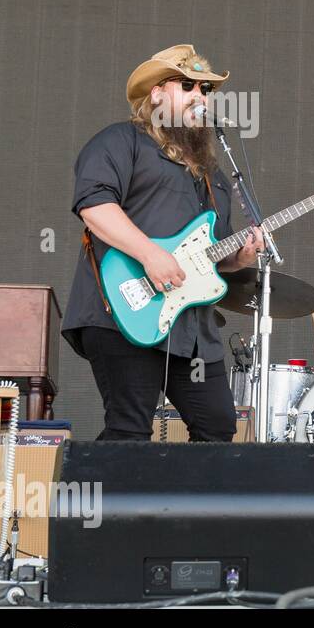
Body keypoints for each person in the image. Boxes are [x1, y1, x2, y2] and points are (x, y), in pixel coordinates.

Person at [62, 44, 264, 441]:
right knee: (129, 427)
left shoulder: (213, 174)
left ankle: (180, 505)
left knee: (218, 426)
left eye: (206, 90)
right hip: (124, 310)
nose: (200, 96)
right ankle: (100, 504)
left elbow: (208, 254)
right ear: (156, 93)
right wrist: (151, 254)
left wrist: (238, 257)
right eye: (188, 85)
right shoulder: (122, 141)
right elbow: (94, 205)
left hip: (190, 329)